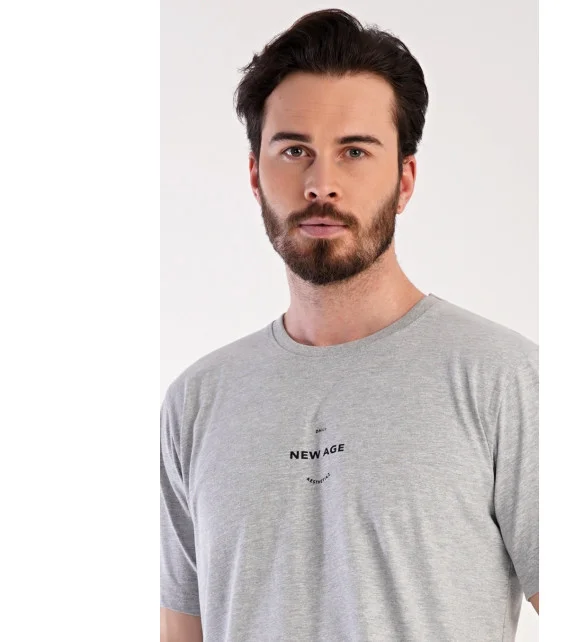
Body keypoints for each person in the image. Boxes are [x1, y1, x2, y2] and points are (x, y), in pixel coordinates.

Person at [160, 8, 538, 642]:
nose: (321, 184)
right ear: (255, 175)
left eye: (355, 151)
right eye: (295, 151)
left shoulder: (505, 380)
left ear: (404, 179)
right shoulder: (196, 403)